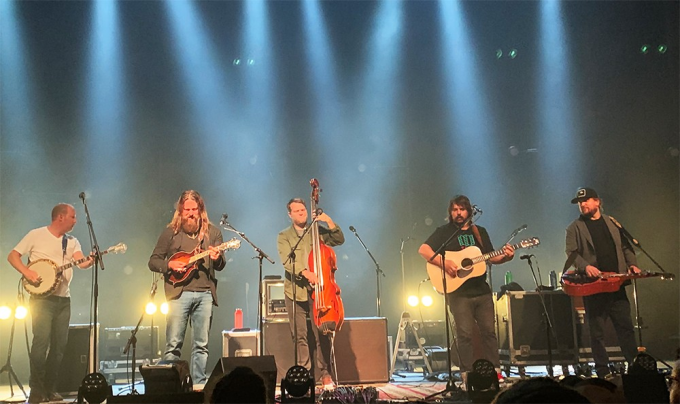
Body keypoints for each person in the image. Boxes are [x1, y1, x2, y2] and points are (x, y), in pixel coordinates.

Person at [418, 195, 514, 378]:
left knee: (489, 332)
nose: (458, 213)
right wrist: (444, 264)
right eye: (455, 210)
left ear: (469, 211)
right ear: (450, 213)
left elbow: (491, 257)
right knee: (464, 335)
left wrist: (506, 257)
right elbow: (424, 250)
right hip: (458, 294)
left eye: (461, 209)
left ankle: (496, 371)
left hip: (482, 291)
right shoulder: (444, 232)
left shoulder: (479, 232)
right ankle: (467, 374)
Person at [7, 203, 93, 403]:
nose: (75, 220)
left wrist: (90, 261)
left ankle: (50, 388)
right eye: (72, 216)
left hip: (64, 299)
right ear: (60, 217)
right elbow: (13, 256)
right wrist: (28, 272)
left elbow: (81, 262)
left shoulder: (72, 241)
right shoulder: (36, 235)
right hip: (41, 299)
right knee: (41, 343)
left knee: (59, 347)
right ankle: (36, 390)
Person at [148, 190, 226, 385]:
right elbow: (153, 261)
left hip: (205, 293)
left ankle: (199, 384)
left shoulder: (213, 233)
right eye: (187, 209)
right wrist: (169, 265)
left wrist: (217, 257)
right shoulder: (170, 233)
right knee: (173, 344)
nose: (191, 213)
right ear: (180, 211)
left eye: (194, 209)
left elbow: (221, 265)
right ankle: (170, 385)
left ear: (201, 210)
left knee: (201, 345)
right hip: (178, 294)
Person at [565, 187, 640, 378]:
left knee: (625, 327)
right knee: (597, 332)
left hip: (616, 284)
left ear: (597, 202)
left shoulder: (612, 222)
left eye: (587, 200)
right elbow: (572, 253)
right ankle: (602, 371)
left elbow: (626, 246)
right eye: (580, 202)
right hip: (594, 287)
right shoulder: (574, 227)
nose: (583, 204)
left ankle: (635, 367)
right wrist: (585, 267)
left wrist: (632, 265)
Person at [276, 198, 344, 389]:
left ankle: (325, 373)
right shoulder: (284, 236)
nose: (301, 213)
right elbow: (286, 261)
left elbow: (339, 239)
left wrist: (328, 221)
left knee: (322, 332)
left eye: (303, 209)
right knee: (300, 336)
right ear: (289, 214)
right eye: (296, 211)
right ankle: (304, 374)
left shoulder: (316, 231)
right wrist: (305, 272)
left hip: (320, 291)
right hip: (295, 291)